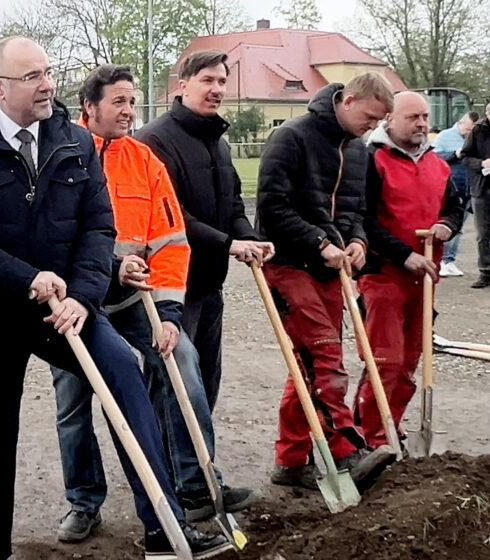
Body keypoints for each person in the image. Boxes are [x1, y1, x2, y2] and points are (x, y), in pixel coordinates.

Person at [0, 37, 227, 560]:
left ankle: (164, 527)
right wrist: (27, 278)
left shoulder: (73, 141)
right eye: (32, 77)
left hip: (65, 308)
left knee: (124, 374)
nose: (47, 85)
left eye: (49, 72)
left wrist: (85, 299)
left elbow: (96, 229)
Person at [50, 64, 257, 544]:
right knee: (73, 399)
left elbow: (170, 241)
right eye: (118, 102)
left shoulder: (144, 161)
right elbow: (57, 239)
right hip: (78, 301)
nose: (128, 111)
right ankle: (84, 501)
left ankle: (198, 483)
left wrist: (167, 314)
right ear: (90, 107)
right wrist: (108, 267)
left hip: (138, 304)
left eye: (132, 102)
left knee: (181, 359)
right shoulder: (63, 158)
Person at [256, 73, 398, 490]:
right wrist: (319, 242)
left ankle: (290, 459)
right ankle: (344, 451)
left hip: (330, 269)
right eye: (370, 117)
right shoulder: (292, 138)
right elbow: (271, 206)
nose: (372, 127)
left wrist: (356, 240)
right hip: (288, 263)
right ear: (349, 100)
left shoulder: (357, 151)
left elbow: (356, 208)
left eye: (379, 122)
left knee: (307, 363)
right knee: (325, 358)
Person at [136, 50, 274, 413]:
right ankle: (161, 460)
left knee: (207, 379)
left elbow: (232, 207)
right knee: (172, 379)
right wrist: (229, 244)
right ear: (182, 86)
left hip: (210, 282)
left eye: (222, 81)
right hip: (172, 285)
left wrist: (252, 241)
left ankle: (197, 462)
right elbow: (172, 216)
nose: (217, 89)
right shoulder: (154, 141)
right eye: (207, 80)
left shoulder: (220, 143)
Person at [356, 92, 463, 448]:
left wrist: (447, 224)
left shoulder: (438, 164)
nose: (421, 124)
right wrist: (403, 254)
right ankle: (371, 435)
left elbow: (454, 206)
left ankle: (393, 425)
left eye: (424, 118)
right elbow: (363, 219)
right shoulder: (373, 160)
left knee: (411, 361)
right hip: (383, 273)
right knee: (385, 358)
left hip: (424, 278)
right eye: (412, 117)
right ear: (390, 120)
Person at [433, 111, 479, 277]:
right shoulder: (445, 136)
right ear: (461, 123)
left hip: (470, 187)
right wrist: (455, 154)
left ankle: (450, 260)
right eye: (467, 130)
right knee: (448, 224)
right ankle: (443, 260)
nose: (469, 133)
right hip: (452, 185)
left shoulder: (475, 137)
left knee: (460, 228)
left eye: (471, 131)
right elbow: (435, 157)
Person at [461, 102, 490, 288]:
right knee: (483, 233)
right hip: (482, 187)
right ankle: (486, 272)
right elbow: (464, 157)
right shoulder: (478, 131)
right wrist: (481, 164)